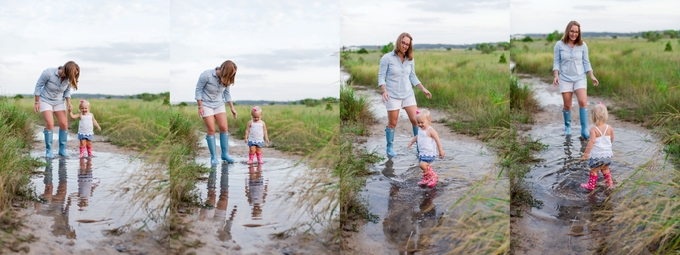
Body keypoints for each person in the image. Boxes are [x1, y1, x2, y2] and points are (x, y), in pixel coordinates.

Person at [378, 32, 432, 157]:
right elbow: (381, 76)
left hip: (408, 94)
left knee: (416, 120)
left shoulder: (410, 59)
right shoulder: (387, 58)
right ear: (398, 42)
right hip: (392, 95)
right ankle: (389, 147)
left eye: (408, 44)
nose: (405, 46)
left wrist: (423, 88)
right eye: (403, 43)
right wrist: (384, 90)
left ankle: (420, 145)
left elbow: (412, 76)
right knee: (393, 123)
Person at [552, 21, 599, 139]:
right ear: (568, 31)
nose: (574, 34)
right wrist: (556, 75)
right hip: (565, 78)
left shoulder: (583, 45)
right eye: (572, 31)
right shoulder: (559, 45)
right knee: (567, 106)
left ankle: (584, 130)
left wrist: (592, 76)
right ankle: (568, 127)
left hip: (580, 78)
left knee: (583, 102)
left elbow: (586, 62)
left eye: (576, 32)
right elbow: (556, 61)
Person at [196, 60, 238, 165]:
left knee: (224, 128)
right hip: (206, 104)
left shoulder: (226, 79)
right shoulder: (206, 75)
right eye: (231, 74)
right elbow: (198, 90)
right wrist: (200, 106)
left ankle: (225, 154)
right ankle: (214, 157)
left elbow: (227, 93)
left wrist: (232, 107)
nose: (232, 76)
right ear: (225, 71)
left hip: (219, 104)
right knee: (211, 130)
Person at [34, 61, 79, 158]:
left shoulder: (67, 79)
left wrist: (69, 103)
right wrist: (37, 102)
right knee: (50, 124)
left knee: (64, 124)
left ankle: (62, 149)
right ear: (67, 71)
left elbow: (67, 91)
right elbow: (38, 86)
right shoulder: (48, 73)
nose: (73, 77)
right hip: (45, 100)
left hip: (59, 102)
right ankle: (49, 150)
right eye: (73, 74)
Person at [580, 104, 614, 190]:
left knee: (594, 170)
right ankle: (609, 183)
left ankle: (591, 186)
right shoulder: (609, 128)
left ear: (593, 117)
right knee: (606, 169)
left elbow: (591, 141)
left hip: (597, 155)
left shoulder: (593, 129)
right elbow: (612, 139)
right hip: (608, 154)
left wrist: (586, 154)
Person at [407, 110, 444, 188]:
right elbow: (417, 136)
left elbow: (438, 140)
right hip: (423, 153)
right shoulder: (420, 130)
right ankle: (426, 178)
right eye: (418, 122)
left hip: (429, 153)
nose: (420, 124)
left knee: (422, 165)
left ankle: (433, 176)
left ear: (429, 121)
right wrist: (411, 142)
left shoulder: (431, 130)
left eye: (422, 122)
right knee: (424, 166)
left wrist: (440, 151)